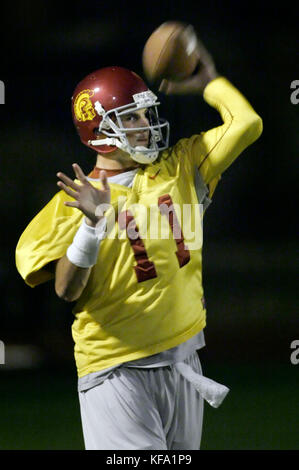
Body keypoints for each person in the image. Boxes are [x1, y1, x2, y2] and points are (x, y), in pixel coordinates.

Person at [15, 34, 263, 450]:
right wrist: (92, 226)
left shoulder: (181, 166)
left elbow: (247, 125)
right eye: (132, 118)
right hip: (116, 370)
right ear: (99, 128)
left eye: (147, 115)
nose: (147, 127)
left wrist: (209, 82)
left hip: (184, 359)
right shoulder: (70, 203)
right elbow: (65, 289)